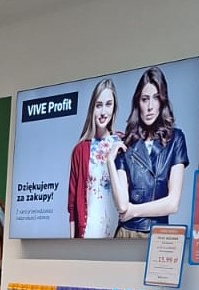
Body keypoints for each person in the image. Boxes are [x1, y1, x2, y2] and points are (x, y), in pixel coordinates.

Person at [110, 67, 190, 238]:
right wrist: (110, 161)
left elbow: (172, 204)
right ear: (137, 102)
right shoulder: (127, 143)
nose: (150, 107)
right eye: (145, 99)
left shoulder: (176, 139)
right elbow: (122, 206)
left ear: (163, 101)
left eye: (156, 98)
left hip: (158, 235)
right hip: (126, 234)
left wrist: (134, 211)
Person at [67, 79, 120, 238]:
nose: (103, 112)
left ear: (114, 107)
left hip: (118, 231)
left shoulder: (122, 144)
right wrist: (72, 244)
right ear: (92, 109)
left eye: (108, 104)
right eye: (99, 105)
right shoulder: (80, 150)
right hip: (89, 232)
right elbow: (72, 204)